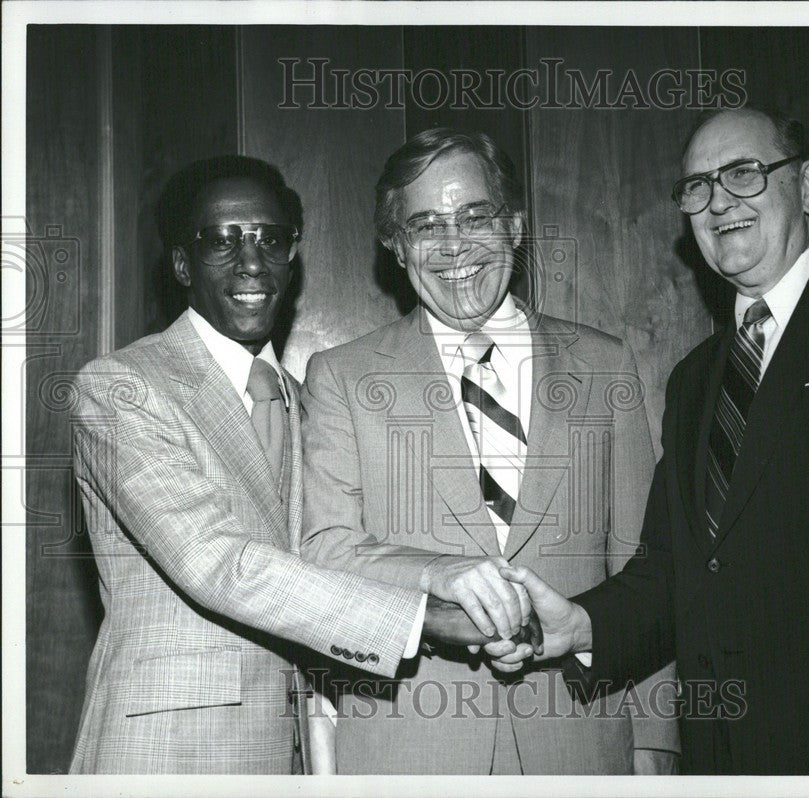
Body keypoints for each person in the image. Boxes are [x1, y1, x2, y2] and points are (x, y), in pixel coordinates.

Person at [490, 107, 809, 775]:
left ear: (807, 187)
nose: (718, 200)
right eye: (697, 187)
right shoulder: (695, 381)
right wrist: (573, 627)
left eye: (743, 174)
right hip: (729, 757)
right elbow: (672, 572)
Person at [69, 155, 501, 774]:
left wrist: (455, 580)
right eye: (221, 241)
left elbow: (340, 554)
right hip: (166, 757)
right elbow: (217, 563)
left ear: (292, 257)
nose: (252, 262)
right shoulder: (120, 388)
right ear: (181, 264)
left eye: (271, 239)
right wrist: (426, 617)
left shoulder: (309, 402)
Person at [299, 129, 679, 774]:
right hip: (411, 747)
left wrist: (654, 742)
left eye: (476, 217)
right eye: (426, 226)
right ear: (395, 247)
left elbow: (648, 570)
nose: (455, 246)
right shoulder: (343, 376)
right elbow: (325, 549)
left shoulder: (605, 366)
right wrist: (438, 571)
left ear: (517, 226)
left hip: (581, 746)